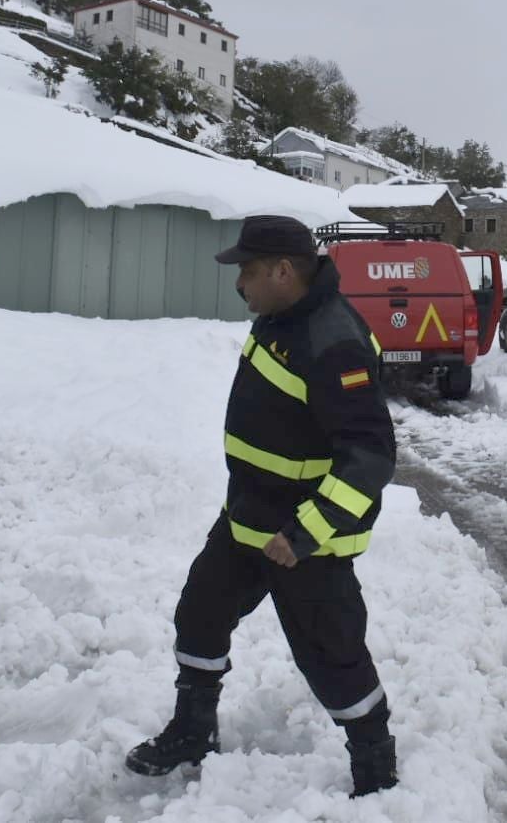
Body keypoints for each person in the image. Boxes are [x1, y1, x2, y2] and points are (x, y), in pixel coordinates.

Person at [125, 215, 399, 798]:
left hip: (304, 541)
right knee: (199, 618)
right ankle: (193, 730)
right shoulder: (281, 318)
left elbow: (371, 455)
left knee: (333, 655)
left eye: (247, 270)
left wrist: (305, 533)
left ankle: (376, 767)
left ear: (282, 271)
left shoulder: (333, 339)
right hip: (249, 519)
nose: (238, 283)